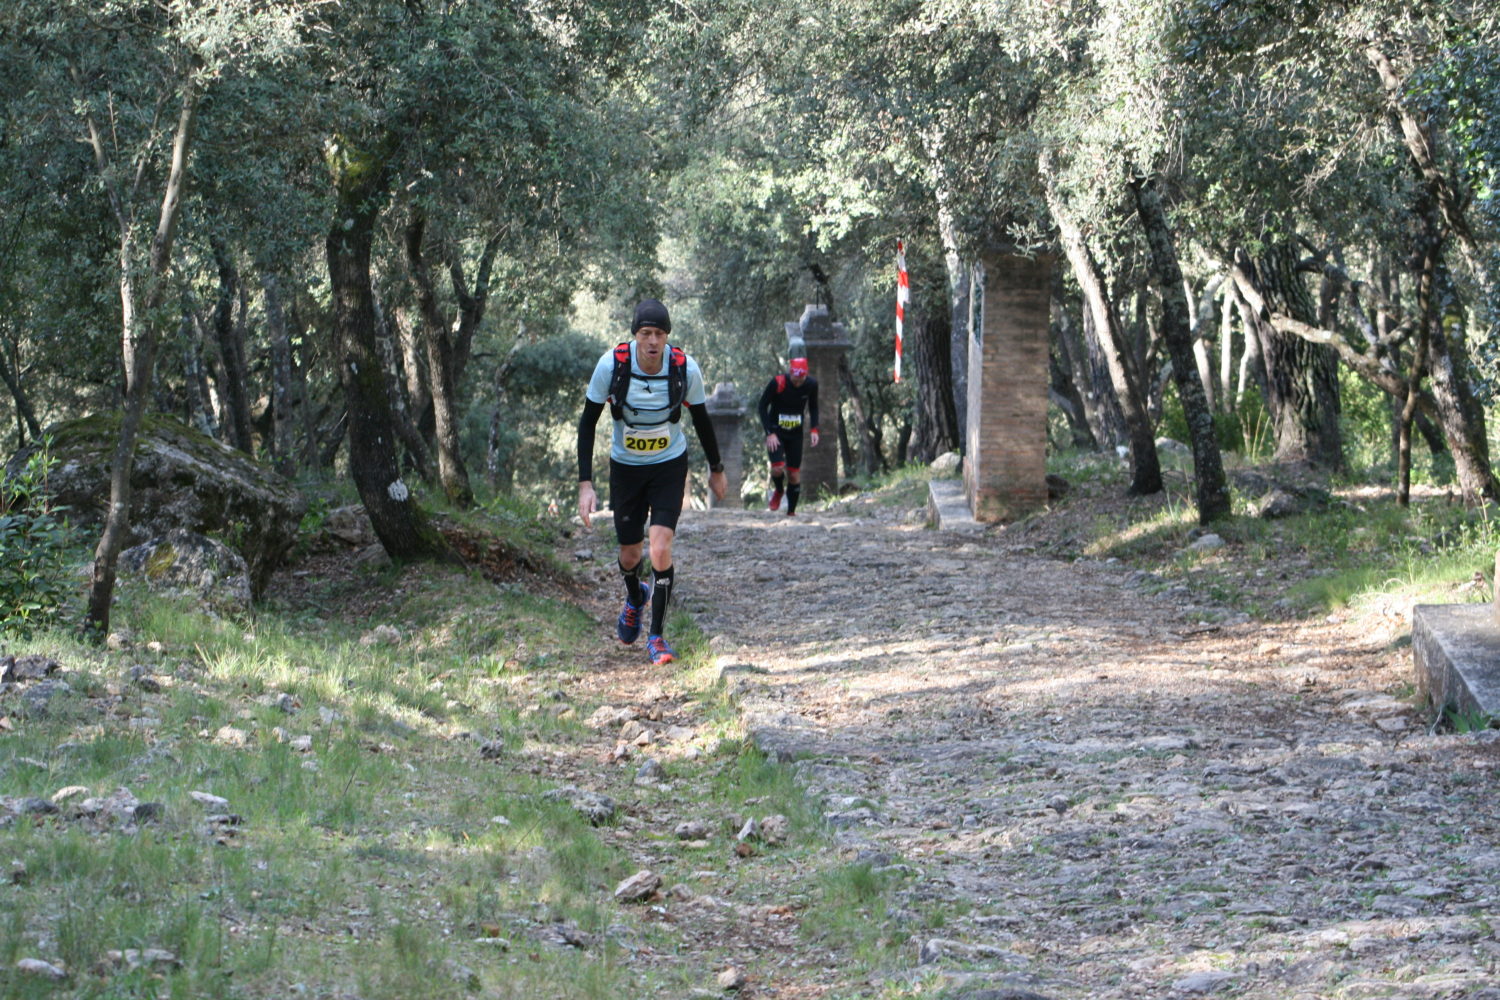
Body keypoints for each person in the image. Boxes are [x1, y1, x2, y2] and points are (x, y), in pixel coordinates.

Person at [577, 298, 727, 665]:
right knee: (630, 554)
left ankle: (657, 637)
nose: (653, 341)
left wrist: (716, 468)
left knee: (660, 548)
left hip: (668, 466)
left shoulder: (684, 369)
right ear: (635, 335)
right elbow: (587, 423)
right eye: (646, 333)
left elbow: (702, 420)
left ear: (667, 337)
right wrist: (585, 484)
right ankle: (635, 597)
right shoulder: (611, 366)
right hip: (625, 469)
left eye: (660, 334)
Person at [757, 356, 819, 516]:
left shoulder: (811, 384)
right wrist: (769, 433)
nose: (798, 383)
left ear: (806, 376)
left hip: (796, 434)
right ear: (790, 374)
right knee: (777, 468)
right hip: (776, 432)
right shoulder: (778, 382)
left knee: (794, 473)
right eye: (795, 380)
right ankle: (779, 490)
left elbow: (814, 407)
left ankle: (791, 512)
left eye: (801, 380)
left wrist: (814, 430)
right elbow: (762, 406)